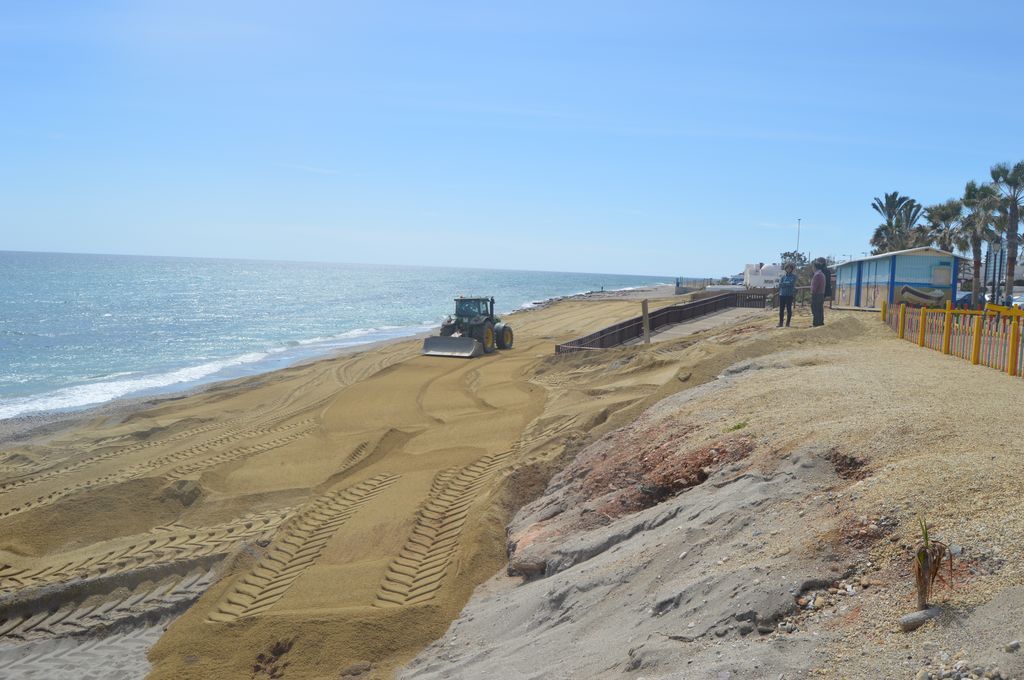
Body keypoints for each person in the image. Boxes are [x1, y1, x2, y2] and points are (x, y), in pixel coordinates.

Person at [777, 263, 797, 327]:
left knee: (788, 309)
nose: (788, 269)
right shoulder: (783, 276)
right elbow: (780, 284)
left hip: (789, 295)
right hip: (782, 294)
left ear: (792, 269)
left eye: (790, 268)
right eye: (787, 268)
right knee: (781, 310)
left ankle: (787, 323)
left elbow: (791, 283)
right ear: (785, 269)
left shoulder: (794, 276)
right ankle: (780, 323)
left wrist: (784, 284)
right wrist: (786, 284)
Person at [811, 259, 827, 327]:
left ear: (815, 267)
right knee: (820, 309)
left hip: (817, 294)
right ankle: (820, 322)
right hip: (821, 294)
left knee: (815, 309)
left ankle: (816, 323)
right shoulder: (822, 274)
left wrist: (812, 293)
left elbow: (815, 287)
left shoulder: (817, 275)